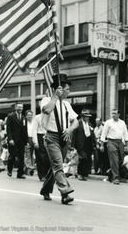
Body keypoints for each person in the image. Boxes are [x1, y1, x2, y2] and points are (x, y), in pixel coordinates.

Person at [39, 74, 79, 204]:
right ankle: (65, 193)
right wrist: (55, 96)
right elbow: (46, 110)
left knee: (56, 166)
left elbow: (76, 121)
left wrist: (69, 129)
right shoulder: (47, 100)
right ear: (59, 89)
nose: (68, 92)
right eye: (66, 89)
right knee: (58, 164)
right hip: (51, 136)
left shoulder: (67, 104)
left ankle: (45, 189)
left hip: (64, 136)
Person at [100, 108, 128, 185]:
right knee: (114, 159)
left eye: (115, 113)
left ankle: (111, 172)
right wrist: (102, 144)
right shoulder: (108, 122)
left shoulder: (122, 123)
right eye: (112, 113)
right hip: (111, 141)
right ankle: (116, 177)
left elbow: (126, 133)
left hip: (120, 142)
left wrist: (126, 144)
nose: (113, 115)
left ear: (119, 114)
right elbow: (104, 133)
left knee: (121, 160)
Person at [72, 109, 97, 181]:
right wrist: (73, 147)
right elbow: (74, 135)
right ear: (83, 117)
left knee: (88, 159)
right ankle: (80, 173)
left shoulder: (90, 124)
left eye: (88, 117)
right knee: (83, 158)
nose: (88, 118)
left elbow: (93, 135)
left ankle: (85, 174)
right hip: (81, 144)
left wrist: (95, 144)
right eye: (86, 117)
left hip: (88, 143)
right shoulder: (78, 124)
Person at [6, 102, 28, 179]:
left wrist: (26, 141)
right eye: (18, 107)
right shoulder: (11, 116)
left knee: (21, 157)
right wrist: (10, 139)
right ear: (15, 108)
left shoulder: (23, 117)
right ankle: (9, 169)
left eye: (21, 107)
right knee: (12, 155)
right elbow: (8, 129)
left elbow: (25, 130)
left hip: (21, 140)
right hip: (13, 140)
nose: (20, 109)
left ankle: (20, 173)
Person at [32, 113, 50, 181]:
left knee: (49, 157)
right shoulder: (37, 117)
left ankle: (48, 174)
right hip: (40, 136)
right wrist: (35, 142)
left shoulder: (51, 116)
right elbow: (34, 130)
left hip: (49, 136)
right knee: (41, 157)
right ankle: (42, 175)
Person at [24, 110, 35, 176]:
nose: (30, 116)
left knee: (32, 155)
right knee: (27, 154)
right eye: (28, 115)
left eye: (31, 115)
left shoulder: (34, 122)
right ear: (26, 116)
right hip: (27, 138)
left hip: (33, 138)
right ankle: (28, 168)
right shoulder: (24, 123)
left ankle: (31, 168)